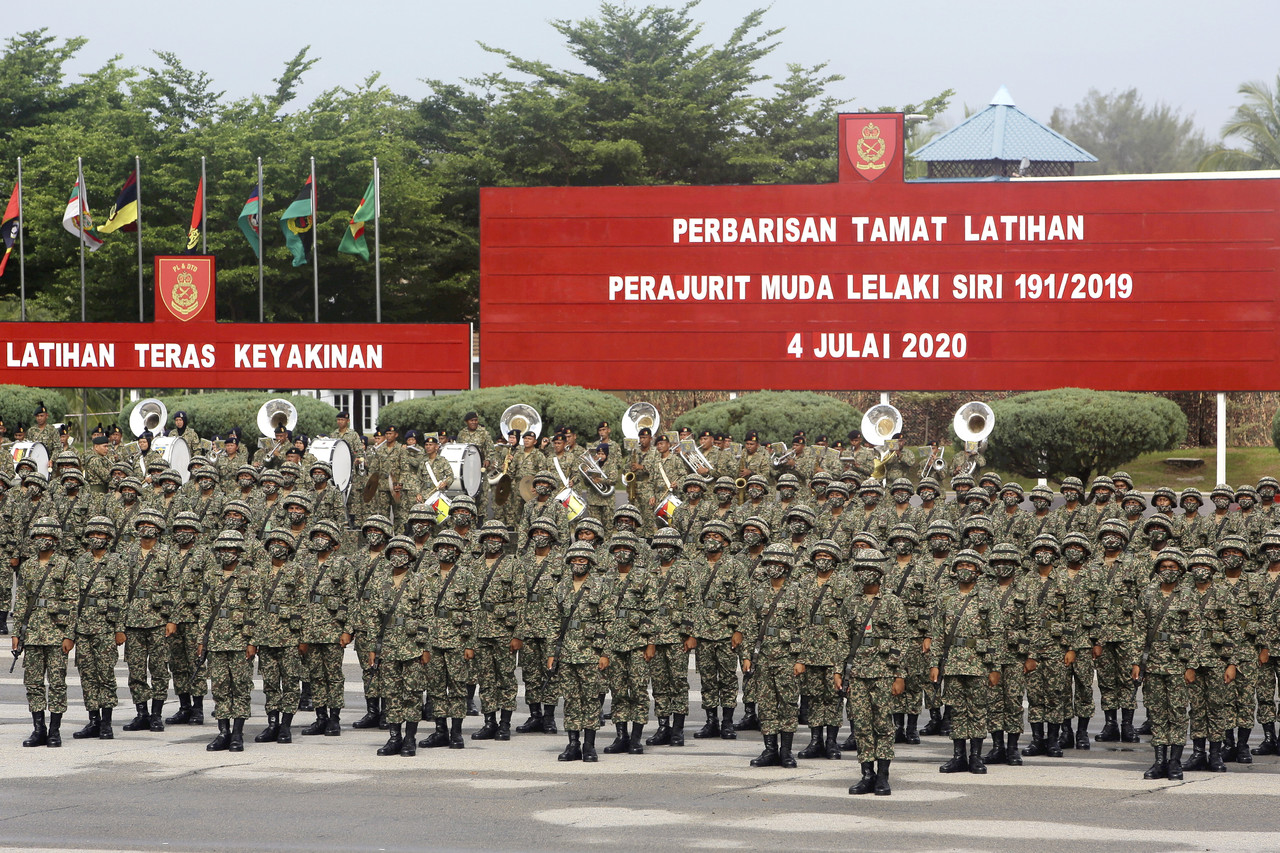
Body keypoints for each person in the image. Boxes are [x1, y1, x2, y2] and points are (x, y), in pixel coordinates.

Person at [839, 547, 909, 795]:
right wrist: (839, 671)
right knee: (861, 725)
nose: (865, 574)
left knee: (883, 724)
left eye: (870, 569)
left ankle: (882, 775)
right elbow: (843, 639)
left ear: (880, 572)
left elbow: (902, 640)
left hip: (883, 672)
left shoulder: (892, 602)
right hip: (857, 673)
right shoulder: (851, 602)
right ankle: (866, 774)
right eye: (861, 569)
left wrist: (899, 675)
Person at [930, 549, 1003, 774]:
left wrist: (994, 667)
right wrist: (934, 663)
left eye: (970, 567)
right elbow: (937, 633)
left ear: (978, 571)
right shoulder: (945, 597)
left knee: (978, 710)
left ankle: (975, 757)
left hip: (978, 664)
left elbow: (996, 633)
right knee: (957, 710)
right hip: (952, 663)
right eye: (961, 566)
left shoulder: (987, 598)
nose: (965, 570)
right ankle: (958, 756)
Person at [740, 544, 808, 768]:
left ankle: (786, 751)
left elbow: (804, 628)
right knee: (767, 705)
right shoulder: (757, 591)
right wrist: (747, 656)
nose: (774, 568)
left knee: (788, 703)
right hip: (763, 658)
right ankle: (770, 750)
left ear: (786, 566)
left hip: (787, 658)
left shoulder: (797, 592)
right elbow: (749, 626)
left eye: (778, 564)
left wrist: (800, 660)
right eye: (770, 563)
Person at [13, 517, 78, 747]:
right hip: (31, 634)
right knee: (33, 683)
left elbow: (72, 602)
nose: (44, 540)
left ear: (56, 539)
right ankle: (38, 728)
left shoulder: (66, 565)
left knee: (57, 683)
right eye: (40, 536)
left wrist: (70, 635)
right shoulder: (28, 565)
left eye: (48, 536)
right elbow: (21, 601)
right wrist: (16, 634)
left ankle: (55, 730)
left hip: (56, 634)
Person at [548, 542, 614, 762]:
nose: (578, 564)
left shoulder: (600, 586)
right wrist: (551, 653)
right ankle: (573, 743)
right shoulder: (561, 587)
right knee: (570, 699)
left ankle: (589, 745)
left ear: (591, 563)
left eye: (582, 561)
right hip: (566, 654)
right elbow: (553, 623)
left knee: (591, 699)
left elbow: (609, 622)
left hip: (590, 654)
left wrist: (605, 653)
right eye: (574, 561)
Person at [367, 535, 429, 756]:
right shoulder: (380, 581)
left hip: (412, 646)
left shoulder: (420, 581)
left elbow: (427, 616)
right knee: (391, 693)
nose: (398, 557)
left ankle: (410, 739)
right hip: (389, 647)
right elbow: (373, 616)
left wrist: (425, 648)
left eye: (403, 553)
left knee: (412, 693)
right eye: (394, 552)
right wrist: (373, 648)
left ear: (411, 557)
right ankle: (394, 737)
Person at [418, 531, 478, 750]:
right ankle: (440, 730)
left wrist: (470, 643)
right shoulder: (424, 576)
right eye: (441, 546)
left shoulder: (466, 576)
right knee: (435, 687)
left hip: (457, 640)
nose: (445, 550)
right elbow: (419, 610)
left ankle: (456, 732)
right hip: (432, 640)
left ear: (458, 552)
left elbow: (473, 611)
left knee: (458, 687)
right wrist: (422, 643)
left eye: (450, 547)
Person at [199, 530, 258, 752]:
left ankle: (237, 734)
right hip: (215, 641)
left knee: (240, 687)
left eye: (231, 549)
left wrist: (252, 640)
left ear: (239, 552)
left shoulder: (249, 575)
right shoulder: (211, 575)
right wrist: (201, 640)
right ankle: (223, 732)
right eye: (223, 549)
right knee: (220, 687)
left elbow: (255, 609)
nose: (227, 553)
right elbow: (205, 608)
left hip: (239, 641)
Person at [70, 516, 128, 740]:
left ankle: (106, 722)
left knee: (105, 675)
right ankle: (93, 720)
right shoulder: (80, 562)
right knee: (87, 675)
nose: (96, 538)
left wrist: (119, 628)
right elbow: (73, 596)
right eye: (93, 534)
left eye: (101, 534)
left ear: (109, 538)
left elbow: (121, 597)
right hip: (83, 627)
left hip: (105, 627)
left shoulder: (118, 563)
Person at [797, 539, 855, 760]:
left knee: (833, 697)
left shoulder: (845, 585)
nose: (823, 560)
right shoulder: (803, 583)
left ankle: (831, 741)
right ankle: (815, 740)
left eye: (827, 556)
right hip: (809, 648)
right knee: (812, 697)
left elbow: (850, 617)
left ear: (836, 560)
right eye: (819, 556)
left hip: (833, 650)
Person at [600, 531, 657, 754]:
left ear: (634, 552)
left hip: (637, 644)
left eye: (627, 549)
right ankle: (621, 736)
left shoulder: (645, 578)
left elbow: (651, 612)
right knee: (618, 691)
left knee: (639, 691)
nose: (622, 553)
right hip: (613, 645)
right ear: (613, 552)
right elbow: (601, 615)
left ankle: (636, 738)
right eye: (618, 548)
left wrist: (651, 643)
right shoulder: (605, 580)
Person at [297, 520, 353, 737]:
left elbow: (351, 599)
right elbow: (298, 599)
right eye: (317, 535)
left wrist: (347, 630)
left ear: (335, 543)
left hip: (332, 631)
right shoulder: (304, 564)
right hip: (309, 631)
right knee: (315, 676)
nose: (320, 539)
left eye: (325, 536)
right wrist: (300, 632)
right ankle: (320, 717)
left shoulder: (342, 565)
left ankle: (334, 719)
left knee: (333, 676)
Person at [120, 508, 174, 733]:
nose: (146, 529)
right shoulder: (128, 552)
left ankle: (156, 714)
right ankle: (141, 712)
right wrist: (119, 623)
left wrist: (172, 619)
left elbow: (174, 587)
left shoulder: (167, 554)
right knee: (136, 670)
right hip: (132, 621)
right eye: (142, 524)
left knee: (160, 669)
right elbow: (121, 588)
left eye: (151, 525)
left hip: (158, 620)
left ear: (159, 530)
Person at [470, 520, 525, 741]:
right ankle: (489, 721)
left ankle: (505, 723)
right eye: (488, 537)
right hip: (480, 630)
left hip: (504, 631)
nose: (492, 541)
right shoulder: (474, 566)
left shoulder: (513, 564)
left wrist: (518, 634)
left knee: (506, 678)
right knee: (485, 679)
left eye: (496, 538)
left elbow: (521, 601)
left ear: (503, 540)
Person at [513, 518, 564, 735]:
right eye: (536, 532)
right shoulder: (521, 561)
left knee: (551, 671)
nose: (539, 535)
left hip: (552, 624)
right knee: (530, 673)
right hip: (527, 623)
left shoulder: (561, 562)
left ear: (552, 536)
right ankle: (535, 715)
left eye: (544, 532)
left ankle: (550, 717)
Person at [253, 529, 304, 745]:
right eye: (274, 542)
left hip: (288, 636)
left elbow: (303, 605)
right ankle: (272, 723)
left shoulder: (297, 571)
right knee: (271, 682)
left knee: (291, 682)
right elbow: (252, 605)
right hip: (265, 636)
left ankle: (286, 725)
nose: (277, 546)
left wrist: (302, 637)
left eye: (282, 542)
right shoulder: (258, 571)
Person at [165, 512, 215, 727]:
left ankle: (198, 708)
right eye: (179, 529)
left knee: (196, 663)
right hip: (170, 619)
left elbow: (209, 589)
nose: (183, 533)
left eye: (187, 529)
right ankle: (183, 706)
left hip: (193, 618)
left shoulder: (205, 555)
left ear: (195, 532)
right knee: (177, 664)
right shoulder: (166, 554)